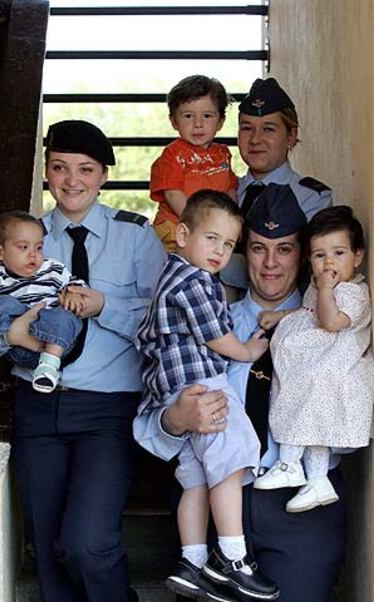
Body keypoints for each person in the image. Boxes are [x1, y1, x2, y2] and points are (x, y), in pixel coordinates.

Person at [134, 185, 347, 602]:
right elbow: (150, 403)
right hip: (215, 510)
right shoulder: (210, 322)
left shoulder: (331, 324)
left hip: (300, 509)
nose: (270, 263)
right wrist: (175, 419)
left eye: (284, 249)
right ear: (241, 253)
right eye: (256, 248)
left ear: (302, 256)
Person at [6, 120, 166, 602]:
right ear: (47, 174)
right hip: (37, 406)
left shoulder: (135, 237)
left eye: (85, 169)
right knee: (49, 548)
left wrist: (105, 307)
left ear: (103, 176)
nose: (72, 180)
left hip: (108, 411)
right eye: (59, 168)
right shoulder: (26, 241)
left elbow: (162, 321)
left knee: (88, 542)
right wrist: (17, 334)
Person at [135, 189, 278, 601]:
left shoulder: (174, 276)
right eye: (211, 238)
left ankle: (191, 562)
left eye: (229, 244)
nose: (220, 251)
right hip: (202, 385)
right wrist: (249, 350)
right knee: (231, 462)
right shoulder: (194, 281)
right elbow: (216, 338)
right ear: (181, 233)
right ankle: (234, 558)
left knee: (196, 480)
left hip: (176, 389)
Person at [254, 205, 374, 512]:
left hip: (330, 370)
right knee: (309, 421)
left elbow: (331, 321)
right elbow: (308, 313)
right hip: (311, 366)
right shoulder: (320, 286)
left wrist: (325, 288)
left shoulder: (351, 293)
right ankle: (317, 481)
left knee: (307, 412)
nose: (329, 262)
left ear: (357, 256)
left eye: (338, 253)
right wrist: (281, 315)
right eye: (320, 255)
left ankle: (290, 463)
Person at [221, 76, 332, 295]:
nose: (255, 139)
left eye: (268, 129)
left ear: (291, 136)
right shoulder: (224, 192)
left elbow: (303, 271)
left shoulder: (311, 198)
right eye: (246, 128)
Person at [0, 210, 85, 393]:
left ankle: (49, 368)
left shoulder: (52, 269)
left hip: (50, 343)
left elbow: (74, 282)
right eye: (23, 247)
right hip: (12, 347)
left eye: (38, 247)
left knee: (65, 316)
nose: (33, 255)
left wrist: (73, 293)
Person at [150, 74, 238, 252]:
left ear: (220, 121)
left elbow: (229, 190)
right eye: (188, 116)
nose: (198, 124)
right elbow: (174, 194)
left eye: (207, 116)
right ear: (174, 121)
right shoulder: (173, 154)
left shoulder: (222, 154)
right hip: (177, 226)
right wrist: (199, 224)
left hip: (212, 228)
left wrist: (233, 219)